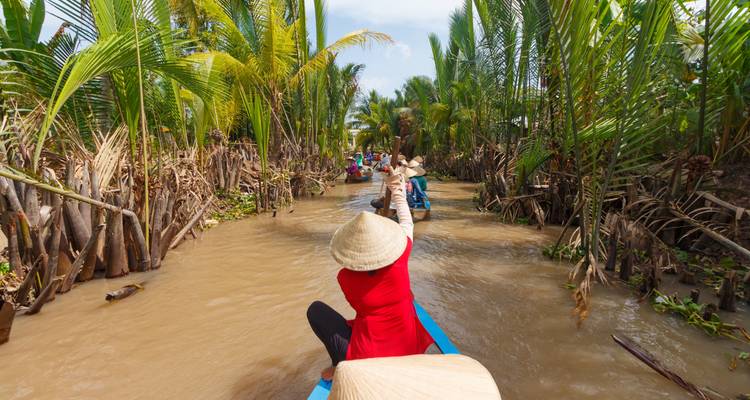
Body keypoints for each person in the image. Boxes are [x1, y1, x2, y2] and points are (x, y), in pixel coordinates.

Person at [307, 167, 434, 380]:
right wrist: (396, 189)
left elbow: (361, 307)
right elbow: (407, 222)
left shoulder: (345, 277)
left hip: (367, 354)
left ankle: (339, 363)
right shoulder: (401, 258)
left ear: (351, 251)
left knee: (315, 310)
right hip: (407, 344)